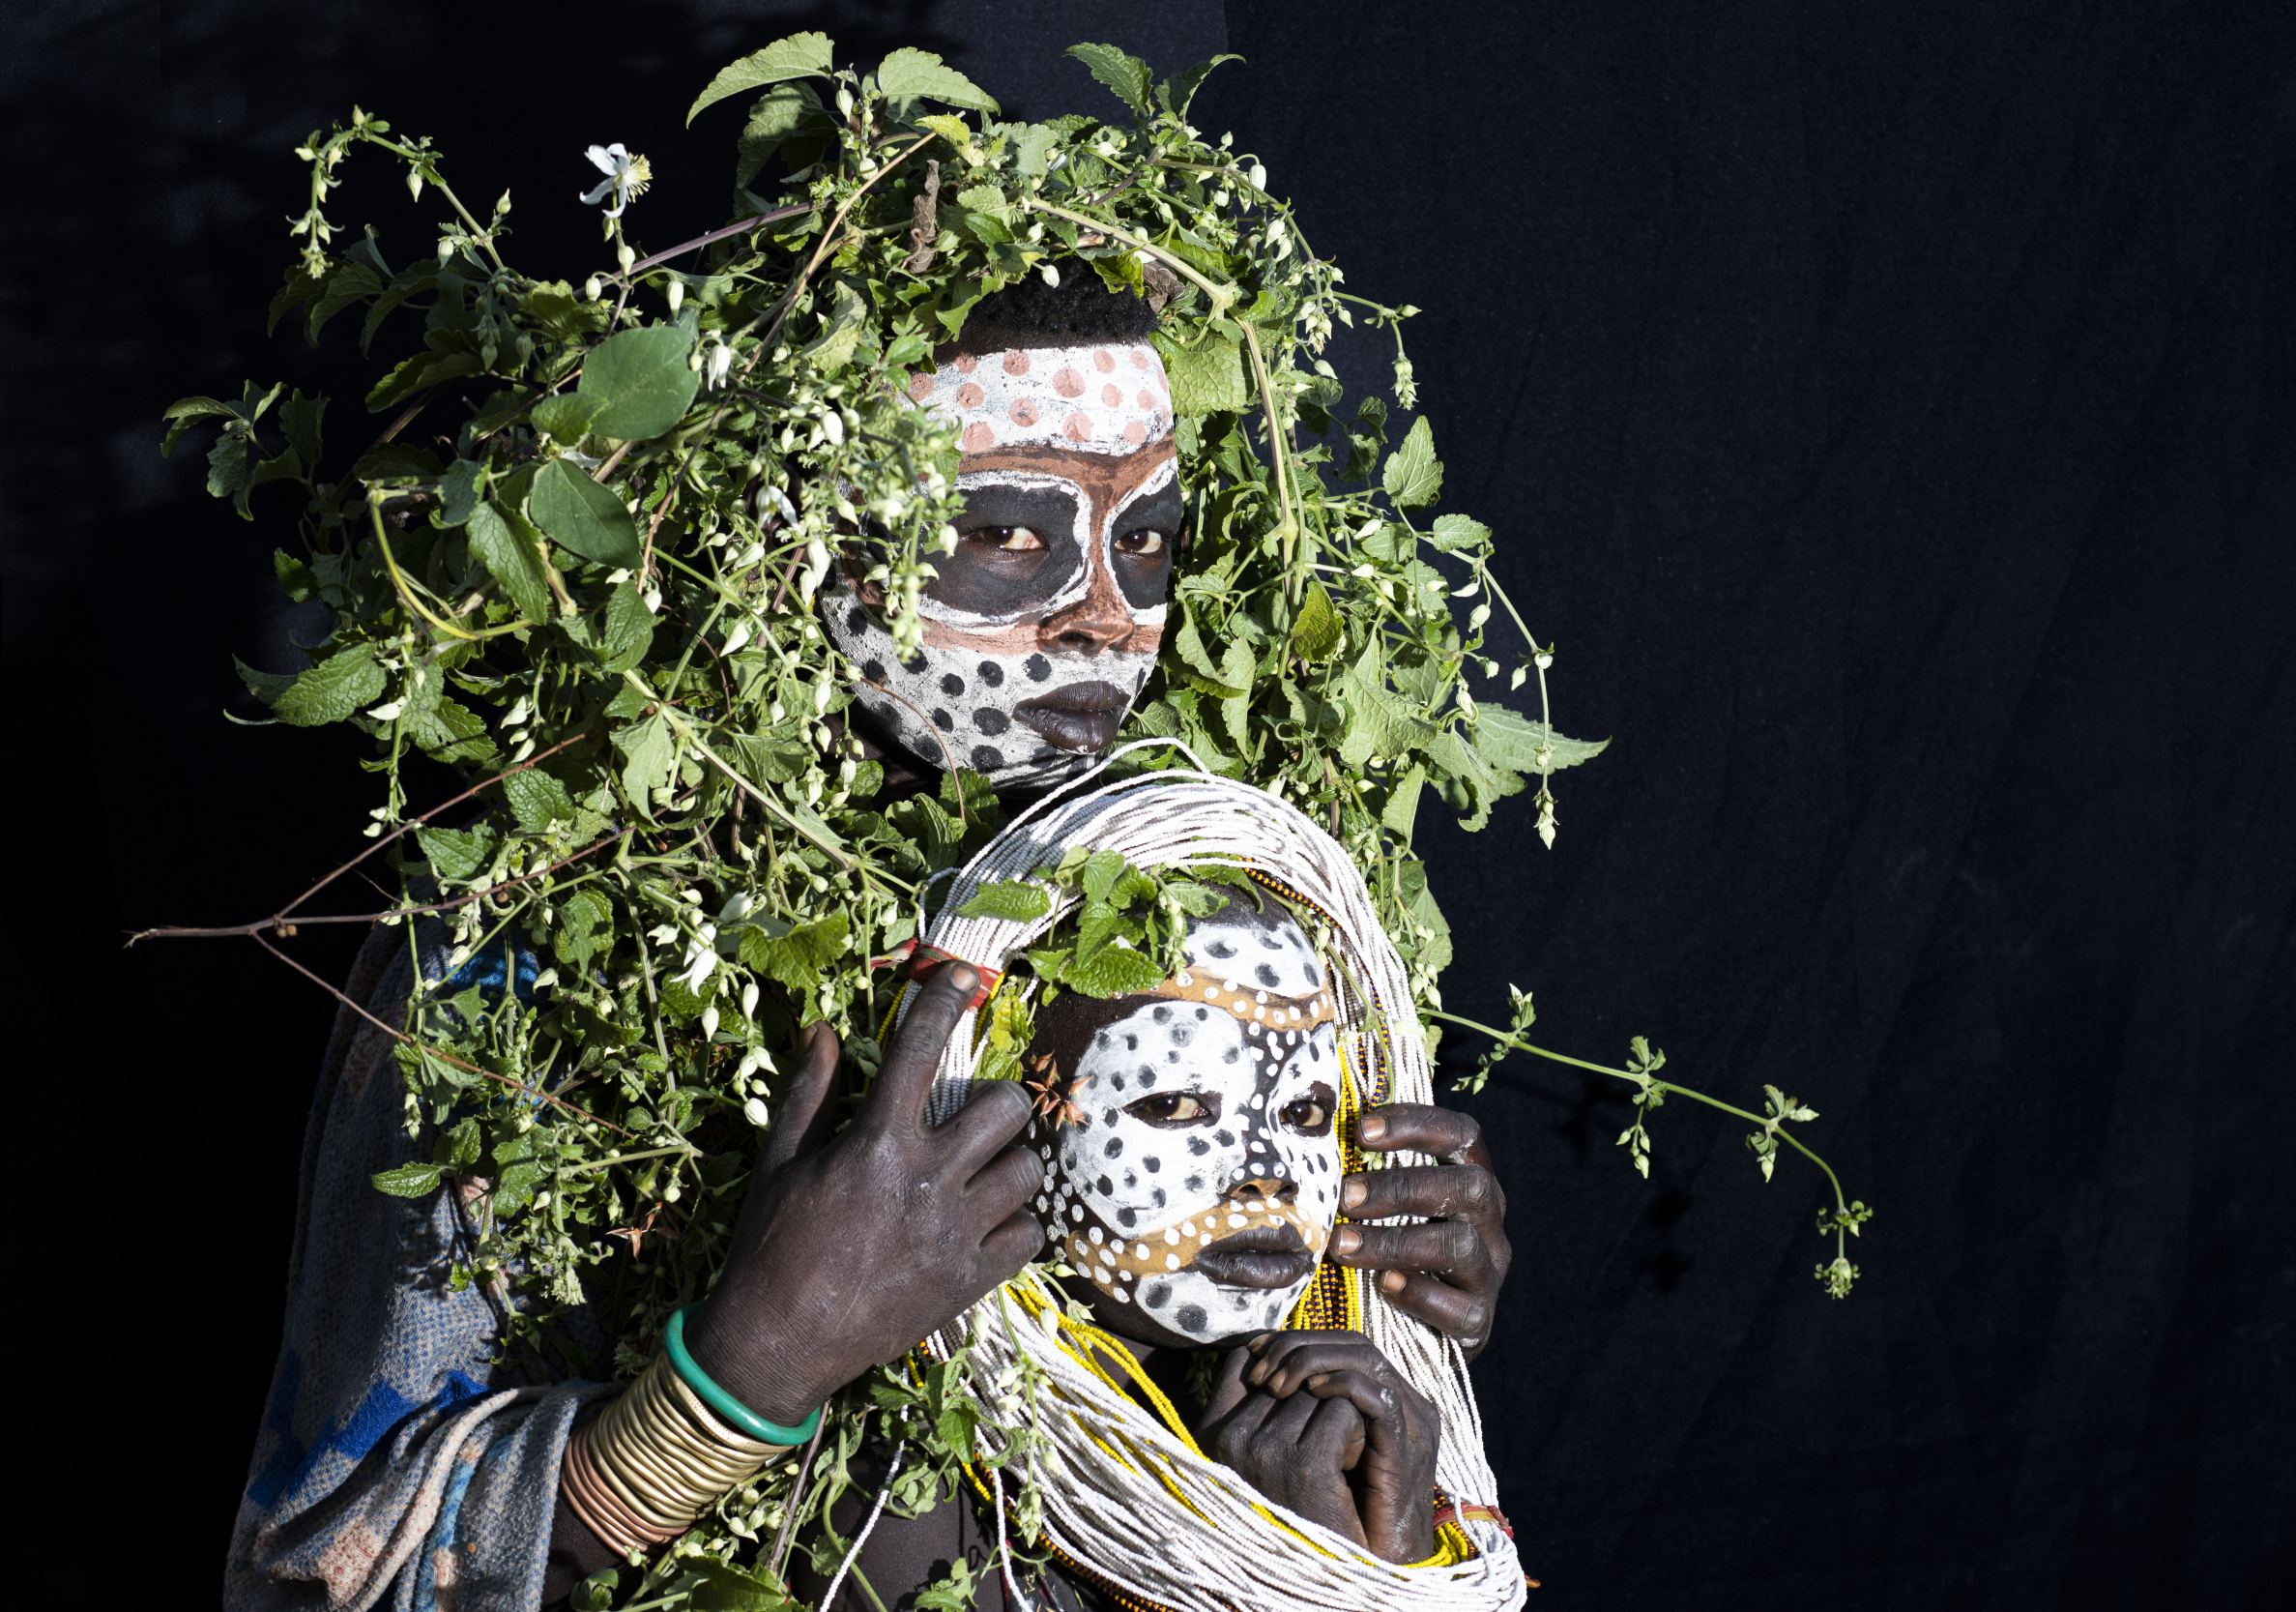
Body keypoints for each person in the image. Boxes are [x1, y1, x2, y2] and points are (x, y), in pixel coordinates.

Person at [227, 275, 1511, 1612]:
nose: (1103, 612)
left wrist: (1357, 1328)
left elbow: (1200, 1421)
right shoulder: (534, 967)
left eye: (1144, 540)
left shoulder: (1193, 896)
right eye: (1008, 532)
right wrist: (747, 1369)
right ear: (800, 536)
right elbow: (315, 1585)